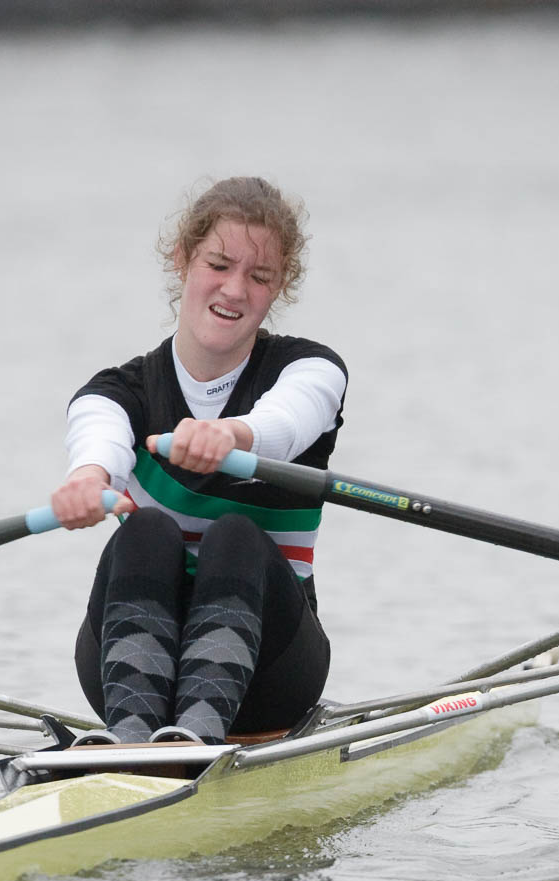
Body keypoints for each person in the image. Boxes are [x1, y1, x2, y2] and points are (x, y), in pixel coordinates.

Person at [50, 177, 348, 746]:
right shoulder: (116, 392)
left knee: (235, 534)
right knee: (145, 530)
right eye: (219, 264)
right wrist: (87, 480)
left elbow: (286, 423)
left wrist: (231, 435)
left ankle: (192, 741)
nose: (235, 289)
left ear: (278, 286)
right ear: (183, 258)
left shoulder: (311, 371)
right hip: (126, 671)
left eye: (259, 276)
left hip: (272, 673)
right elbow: (97, 441)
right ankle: (137, 740)